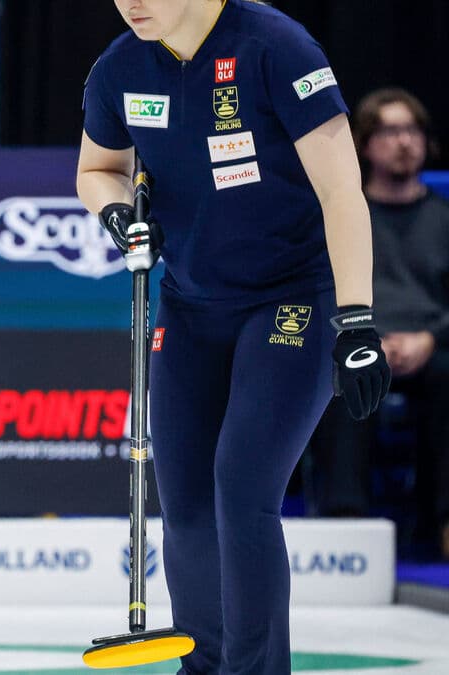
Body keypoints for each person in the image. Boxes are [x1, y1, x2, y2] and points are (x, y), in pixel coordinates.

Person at [76, 0, 391, 672]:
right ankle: (205, 664)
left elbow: (343, 192)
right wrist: (115, 216)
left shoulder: (276, 46)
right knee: (187, 507)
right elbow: (96, 169)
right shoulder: (120, 69)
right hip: (190, 308)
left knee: (242, 489)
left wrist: (358, 320)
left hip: (293, 298)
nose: (132, 3)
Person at [307, 87, 449, 559]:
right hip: (363, 336)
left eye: (412, 130)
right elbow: (320, 290)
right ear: (365, 143)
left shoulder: (443, 217)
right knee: (346, 367)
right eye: (390, 131)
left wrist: (430, 338)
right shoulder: (346, 216)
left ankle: (440, 525)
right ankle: (345, 526)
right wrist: (368, 338)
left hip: (435, 345)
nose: (405, 142)